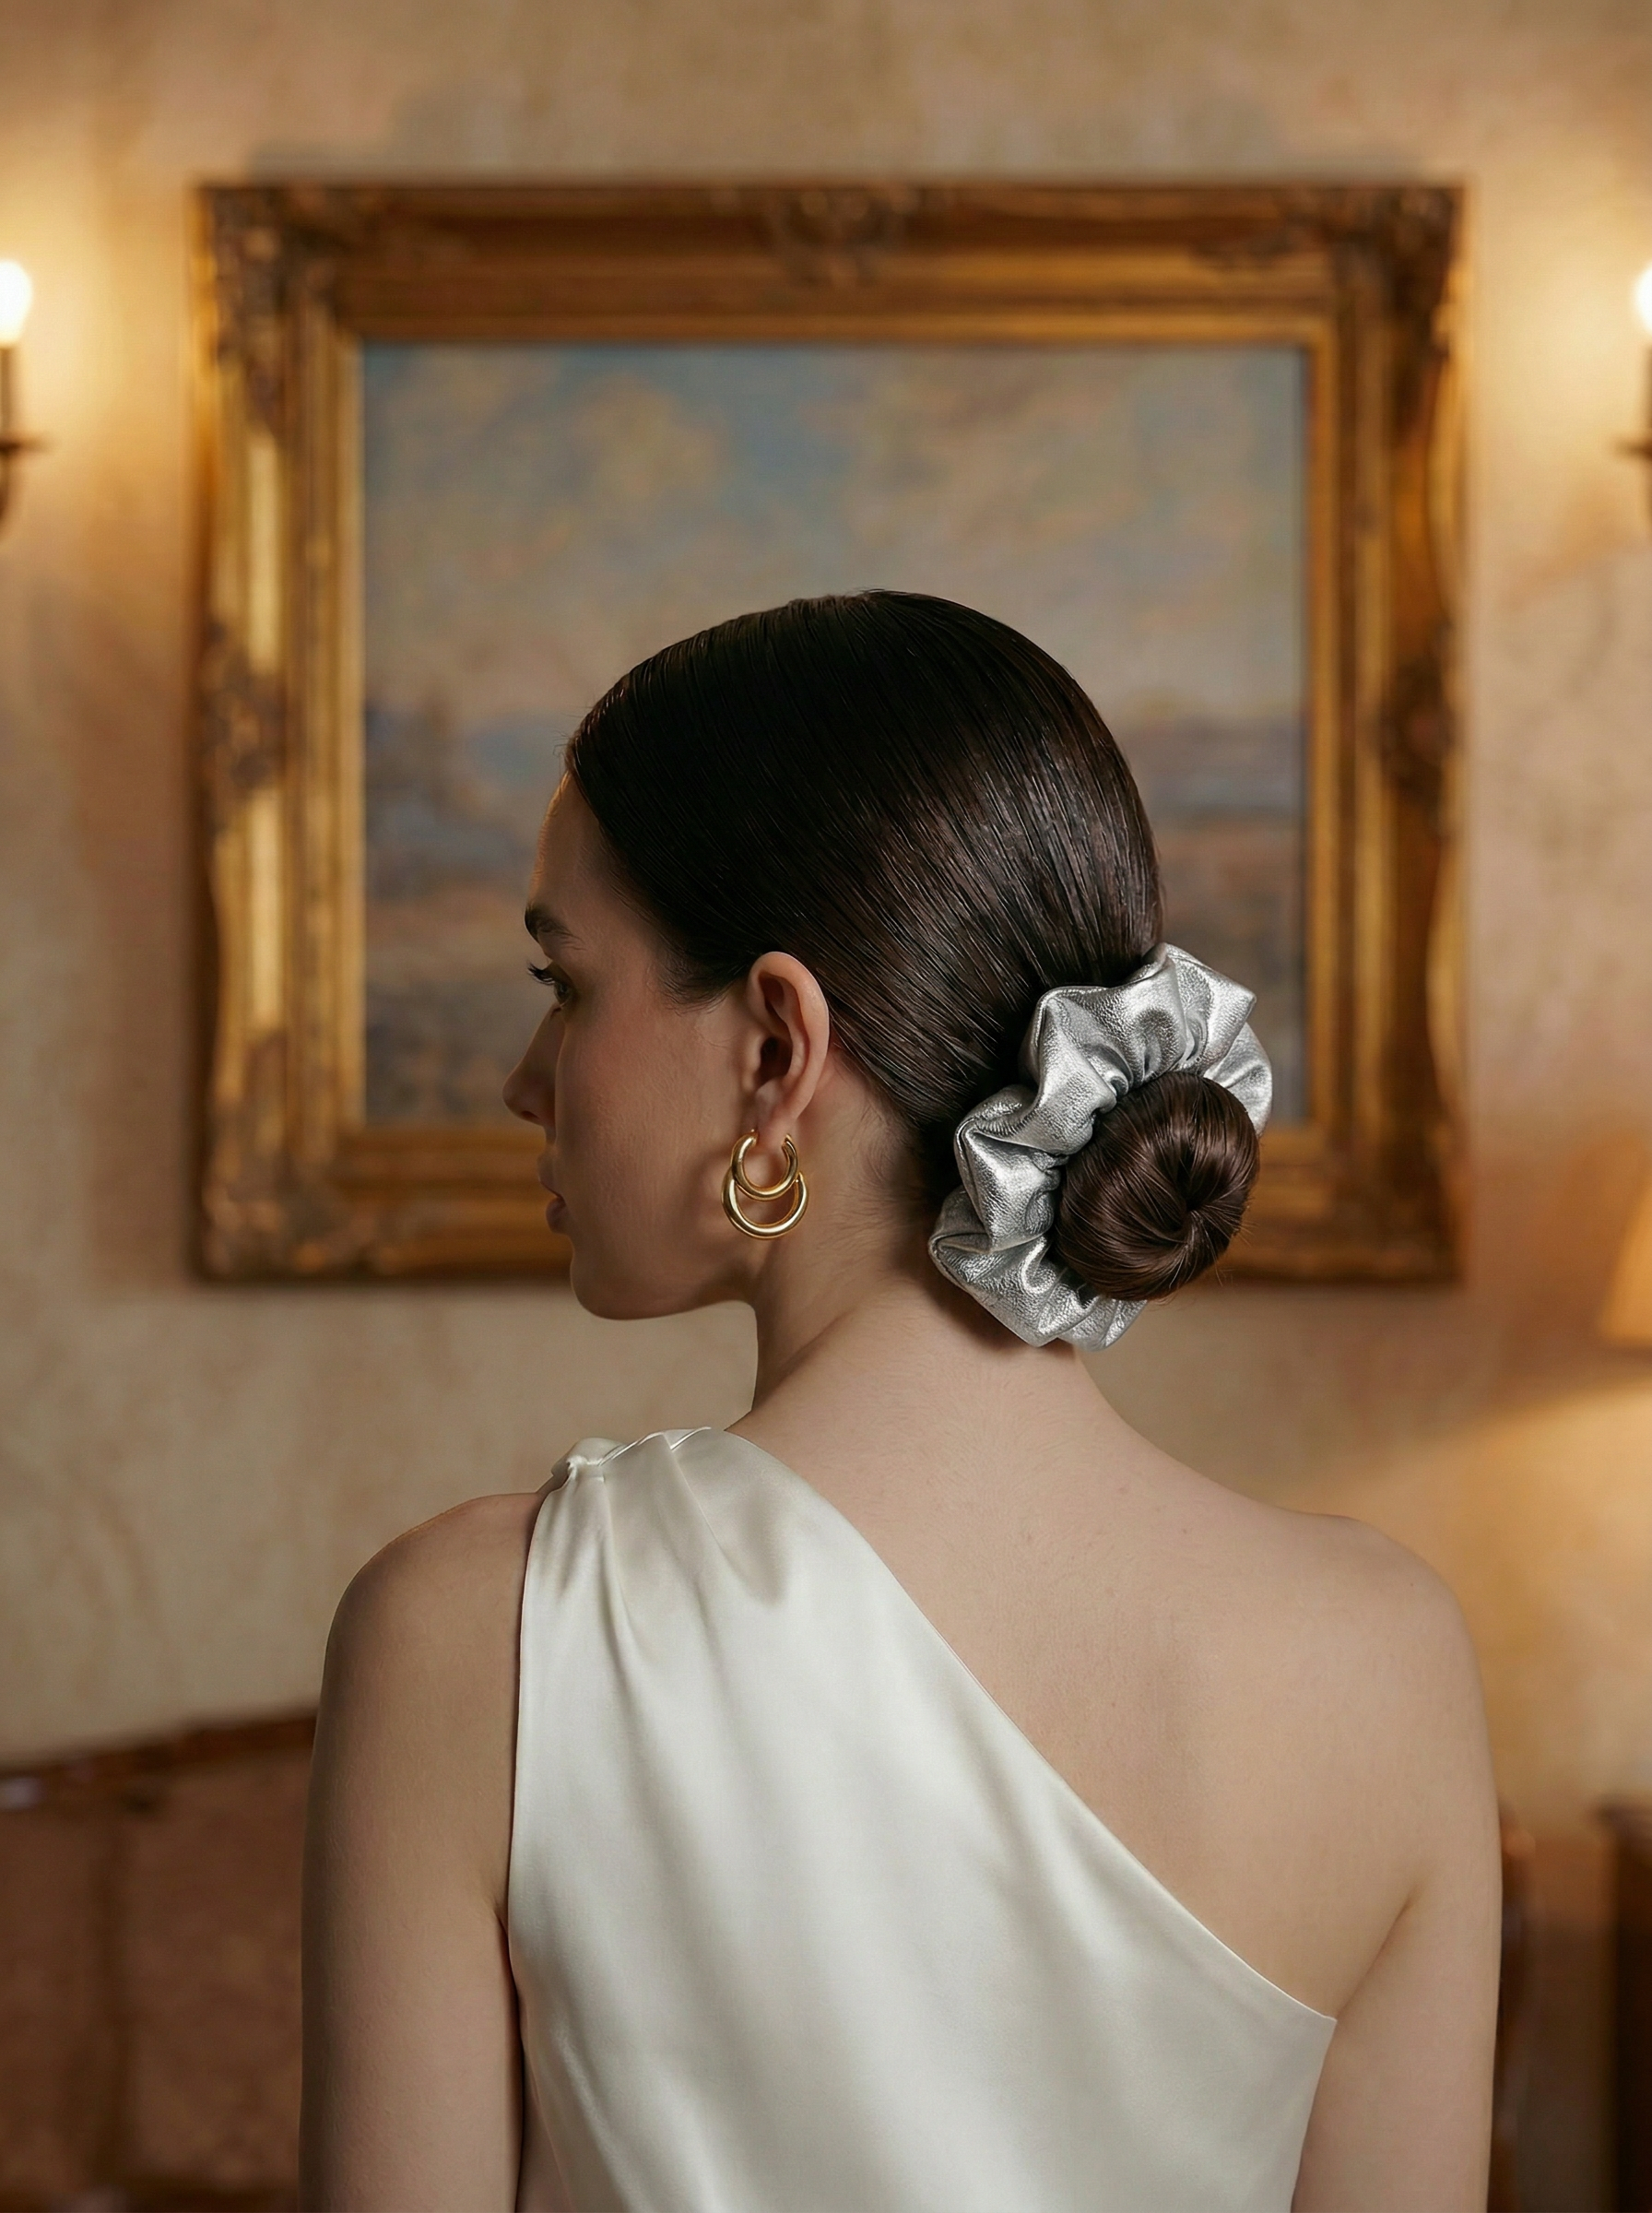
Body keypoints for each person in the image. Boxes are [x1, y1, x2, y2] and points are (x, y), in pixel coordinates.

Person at [300, 593, 1500, 2212]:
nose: (528, 1078)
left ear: (774, 1049)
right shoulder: (1387, 1659)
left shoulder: (470, 1639)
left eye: (565, 985)